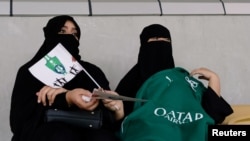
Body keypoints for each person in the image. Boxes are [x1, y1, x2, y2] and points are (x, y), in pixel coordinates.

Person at [10, 15, 124, 141]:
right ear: (50, 35)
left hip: (91, 131)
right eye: (62, 32)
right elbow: (19, 121)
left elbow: (110, 122)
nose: (69, 37)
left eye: (74, 34)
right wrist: (66, 98)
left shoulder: (91, 72)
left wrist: (117, 111)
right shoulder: (30, 71)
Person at [115, 24, 233, 140]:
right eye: (155, 39)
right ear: (143, 45)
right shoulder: (131, 81)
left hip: (192, 127)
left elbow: (214, 115)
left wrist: (214, 78)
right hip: (154, 131)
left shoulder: (182, 79)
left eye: (166, 40)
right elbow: (118, 120)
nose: (161, 44)